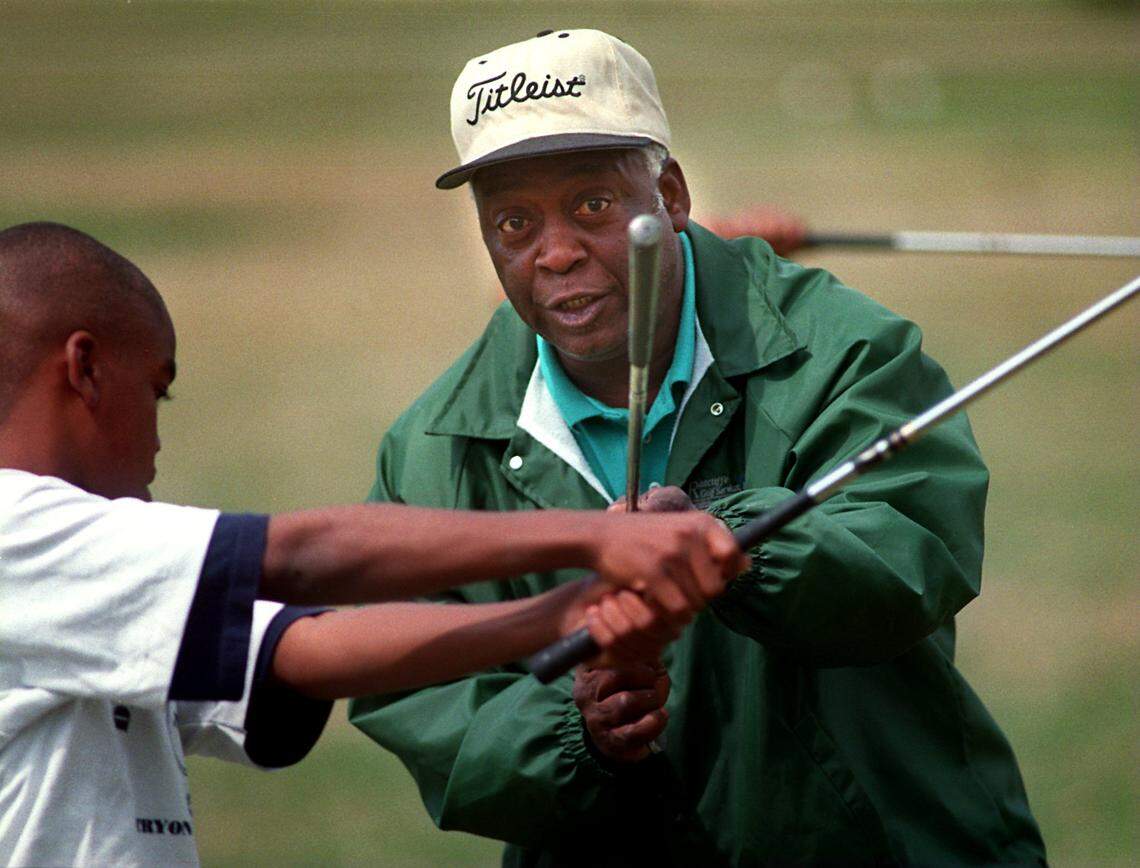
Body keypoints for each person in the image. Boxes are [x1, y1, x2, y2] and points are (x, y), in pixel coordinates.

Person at [348, 29, 1047, 866]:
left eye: (593, 205)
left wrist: (723, 535)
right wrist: (578, 731)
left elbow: (910, 562)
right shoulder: (432, 449)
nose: (557, 251)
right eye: (514, 221)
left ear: (670, 195)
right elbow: (415, 693)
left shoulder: (846, 351)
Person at [0, 221, 747, 866]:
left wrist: (569, 615)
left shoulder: (83, 577)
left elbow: (312, 651)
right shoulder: (13, 532)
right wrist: (594, 540)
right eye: (156, 390)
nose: (160, 434)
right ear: (84, 369)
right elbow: (299, 558)